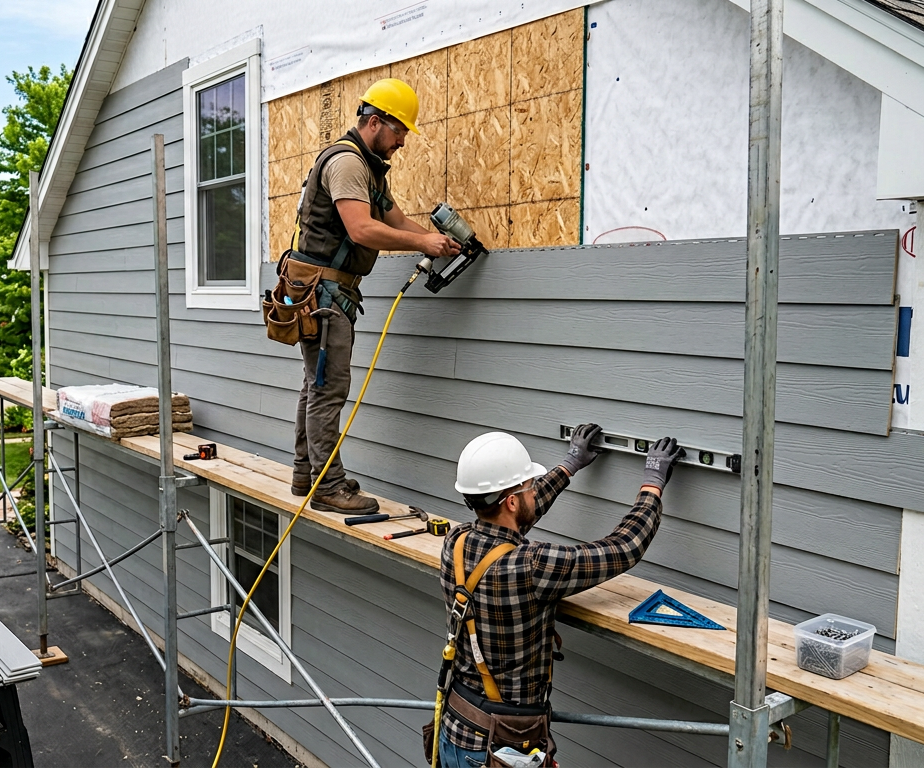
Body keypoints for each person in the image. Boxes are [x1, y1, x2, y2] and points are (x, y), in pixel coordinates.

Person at [432, 425, 683, 767]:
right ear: (510, 501)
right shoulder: (532, 566)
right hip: (499, 748)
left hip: (456, 729)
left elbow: (515, 519)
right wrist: (653, 484)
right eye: (530, 488)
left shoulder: (455, 542)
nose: (535, 492)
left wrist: (569, 465)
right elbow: (623, 548)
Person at [285, 78, 461, 514]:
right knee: (328, 387)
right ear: (376, 121)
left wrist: (442, 241)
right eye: (399, 130)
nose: (402, 141)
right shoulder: (347, 164)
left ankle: (306, 473)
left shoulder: (368, 166)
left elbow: (393, 218)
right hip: (323, 292)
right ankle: (328, 487)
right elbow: (362, 229)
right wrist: (423, 247)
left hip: (326, 289)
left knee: (316, 384)